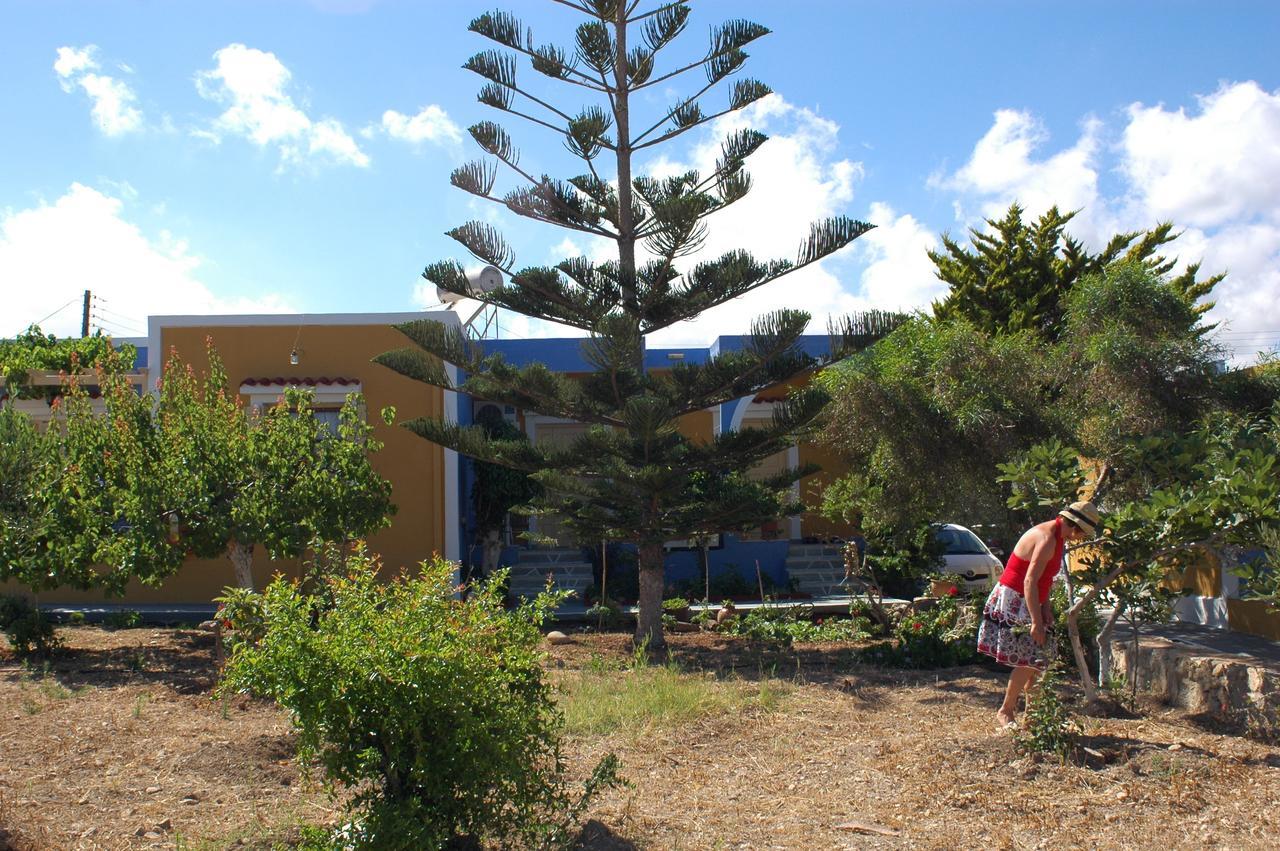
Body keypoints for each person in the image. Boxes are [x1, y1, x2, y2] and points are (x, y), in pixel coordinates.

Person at [976, 501, 1102, 729]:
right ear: (1076, 528)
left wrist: (1046, 608)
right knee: (1028, 659)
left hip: (1031, 599)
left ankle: (1033, 716)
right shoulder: (1046, 539)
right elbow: (1029, 581)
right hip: (1016, 599)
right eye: (1083, 534)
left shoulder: (1058, 537)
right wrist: (1036, 621)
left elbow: (1044, 580)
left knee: (1039, 659)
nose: (1082, 538)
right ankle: (1006, 711)